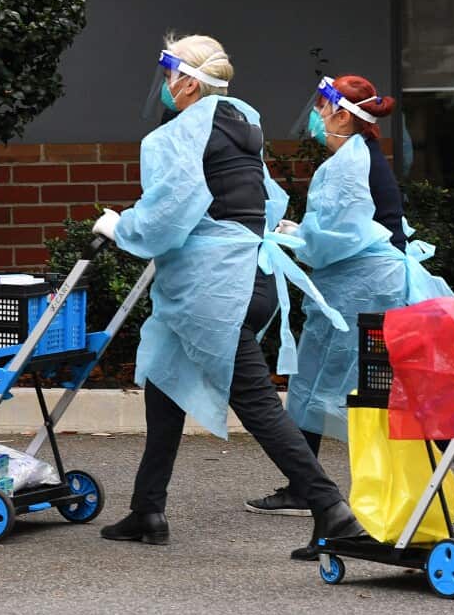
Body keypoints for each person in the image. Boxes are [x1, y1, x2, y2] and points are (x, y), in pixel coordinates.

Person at [90, 34, 363, 556]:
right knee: (164, 379)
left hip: (213, 289)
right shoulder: (241, 120)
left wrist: (121, 227)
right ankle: (147, 508)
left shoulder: (178, 134)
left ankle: (331, 508)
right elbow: (262, 198)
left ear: (190, 84)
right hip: (249, 273)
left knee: (256, 403)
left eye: (170, 75)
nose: (165, 85)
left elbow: (167, 214)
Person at [246, 74, 454, 537]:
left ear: (342, 115)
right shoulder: (362, 155)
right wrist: (305, 235)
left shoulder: (346, 164)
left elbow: (336, 237)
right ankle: (305, 484)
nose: (316, 116)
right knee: (355, 382)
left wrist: (298, 237)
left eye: (322, 107)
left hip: (363, 288)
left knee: (364, 386)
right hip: (376, 283)